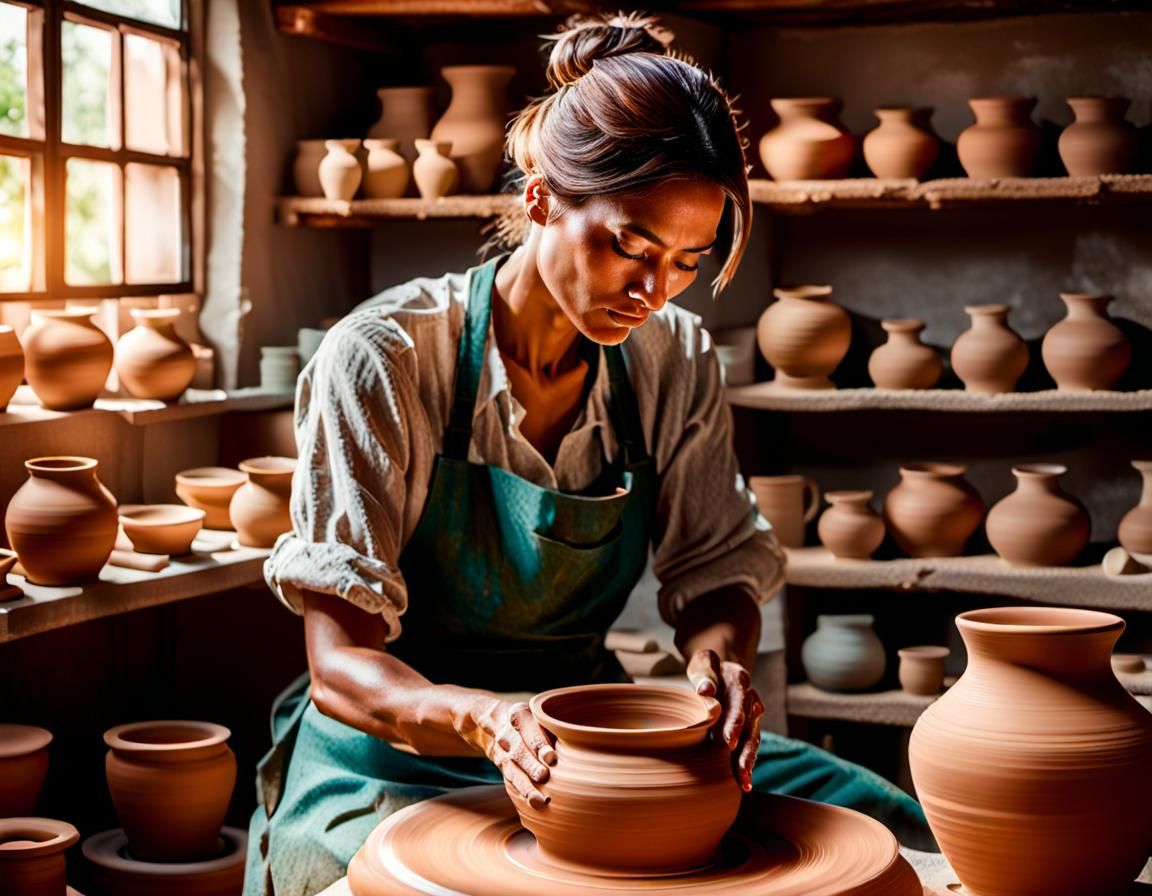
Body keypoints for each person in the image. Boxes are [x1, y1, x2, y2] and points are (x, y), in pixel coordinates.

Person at [244, 13, 931, 895]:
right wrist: (487, 722)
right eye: (630, 247)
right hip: (392, 752)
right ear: (540, 200)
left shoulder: (671, 357)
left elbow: (716, 572)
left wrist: (717, 661)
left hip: (584, 743)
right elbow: (339, 667)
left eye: (687, 261)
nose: (653, 291)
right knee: (374, 882)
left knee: (889, 825)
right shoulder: (385, 359)